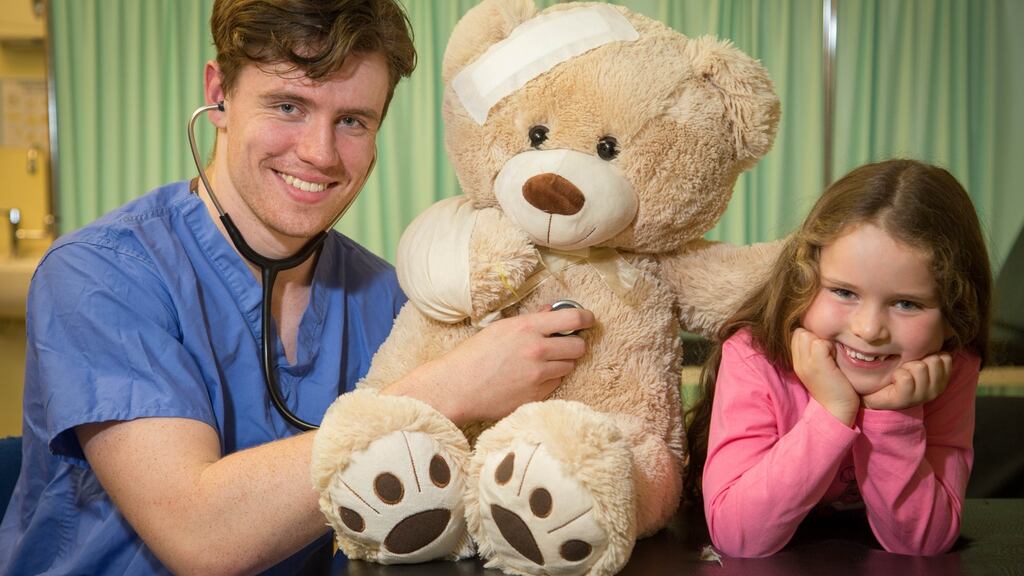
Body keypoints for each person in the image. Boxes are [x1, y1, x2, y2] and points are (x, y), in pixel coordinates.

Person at [0, 1, 593, 574]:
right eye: (287, 106)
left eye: (353, 121)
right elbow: (200, 536)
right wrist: (447, 388)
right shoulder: (99, 275)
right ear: (219, 94)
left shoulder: (384, 295)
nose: (319, 153)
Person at [684, 159, 992, 557]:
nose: (868, 329)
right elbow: (738, 537)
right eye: (844, 292)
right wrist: (832, 412)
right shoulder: (753, 357)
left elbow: (924, 542)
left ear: (955, 316)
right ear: (803, 281)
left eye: (906, 303)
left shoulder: (950, 368)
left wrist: (894, 416)